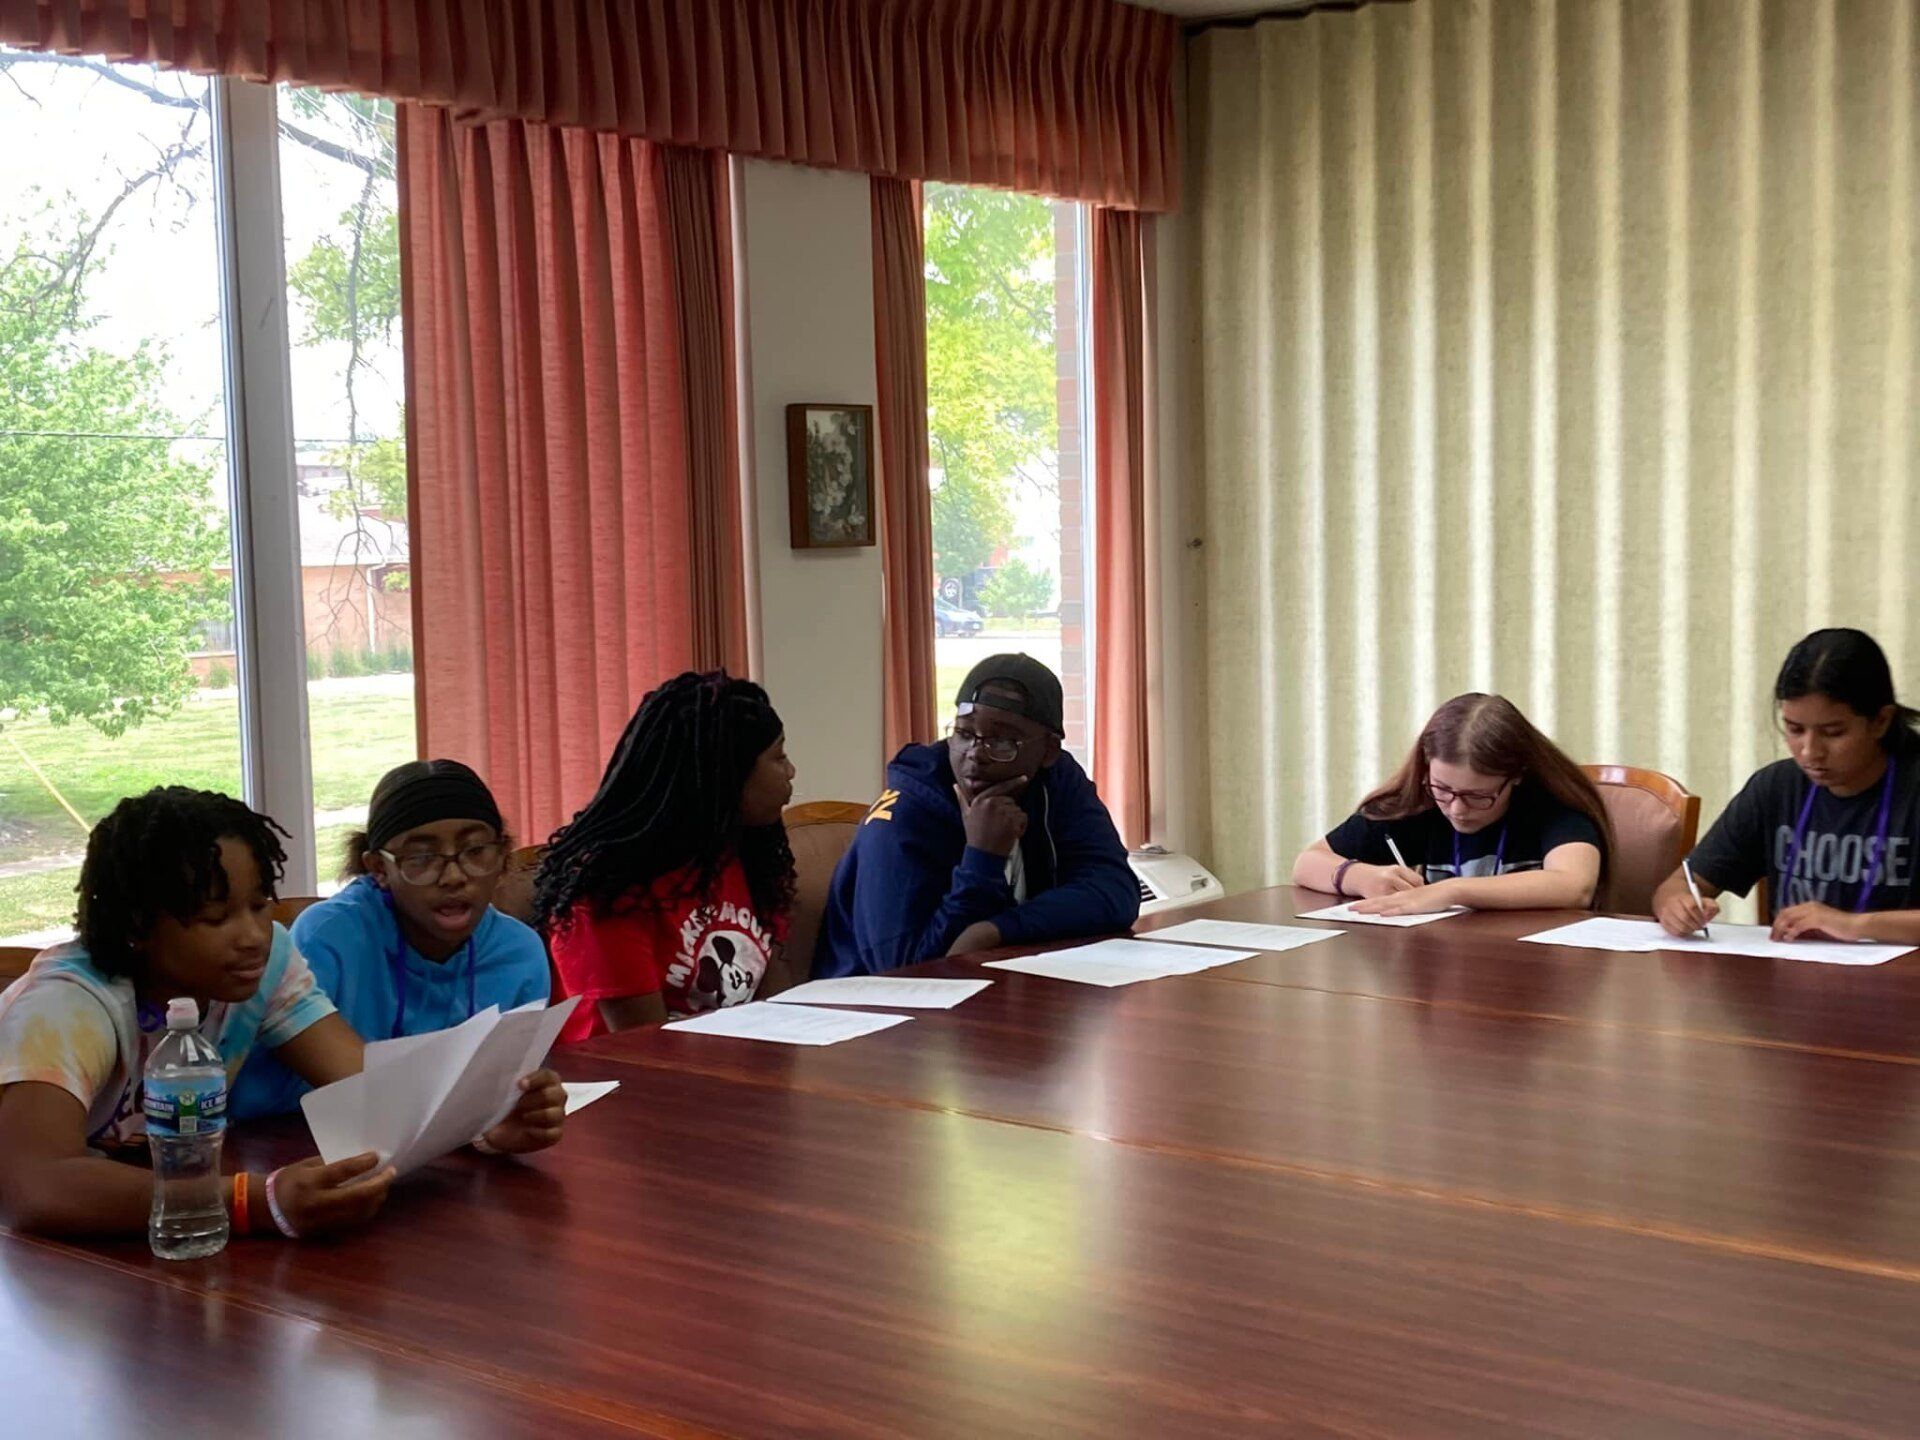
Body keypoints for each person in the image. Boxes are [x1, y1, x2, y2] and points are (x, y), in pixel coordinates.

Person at [0, 787, 565, 1241]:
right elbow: (37, 1186)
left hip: (159, 1234)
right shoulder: (68, 1005)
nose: (253, 937)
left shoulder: (268, 964)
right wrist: (254, 1201)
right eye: (217, 917)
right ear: (136, 927)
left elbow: (369, 1085)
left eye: (258, 905)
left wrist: (483, 1123)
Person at [230, 760, 550, 1119]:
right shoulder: (330, 937)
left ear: (503, 856)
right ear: (379, 869)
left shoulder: (520, 953)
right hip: (298, 1143)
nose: (454, 876)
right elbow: (295, 1092)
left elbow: (504, 1088)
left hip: (437, 1142)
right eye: (422, 857)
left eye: (475, 851)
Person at [814, 655, 1140, 977]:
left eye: (1002, 740)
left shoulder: (1058, 781)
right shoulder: (903, 816)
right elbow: (905, 972)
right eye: (964, 733)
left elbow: (1116, 890)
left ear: (1048, 751)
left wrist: (996, 930)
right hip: (869, 1014)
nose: (975, 755)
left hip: (997, 994)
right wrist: (982, 860)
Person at [537, 672, 798, 1042]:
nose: (790, 771)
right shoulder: (606, 891)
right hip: (628, 1086)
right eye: (779, 756)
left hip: (733, 1073)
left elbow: (778, 1008)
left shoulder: (743, 855)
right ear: (723, 774)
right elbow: (645, 1050)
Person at [1656, 628, 1920, 942]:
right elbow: (1679, 885)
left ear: (1880, 721)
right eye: (1794, 729)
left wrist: (1852, 925)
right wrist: (1677, 906)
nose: (1810, 752)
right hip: (1791, 979)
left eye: (1833, 732)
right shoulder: (1776, 787)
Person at [1293, 693, 1611, 915]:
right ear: (1426, 767)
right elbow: (1307, 863)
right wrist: (1362, 878)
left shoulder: (1549, 804)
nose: (1457, 809)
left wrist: (1452, 890)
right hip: (1438, 968)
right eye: (1443, 789)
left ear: (1517, 776)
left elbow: (1574, 885)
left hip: (1535, 976)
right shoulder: (1416, 804)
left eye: (1478, 796)